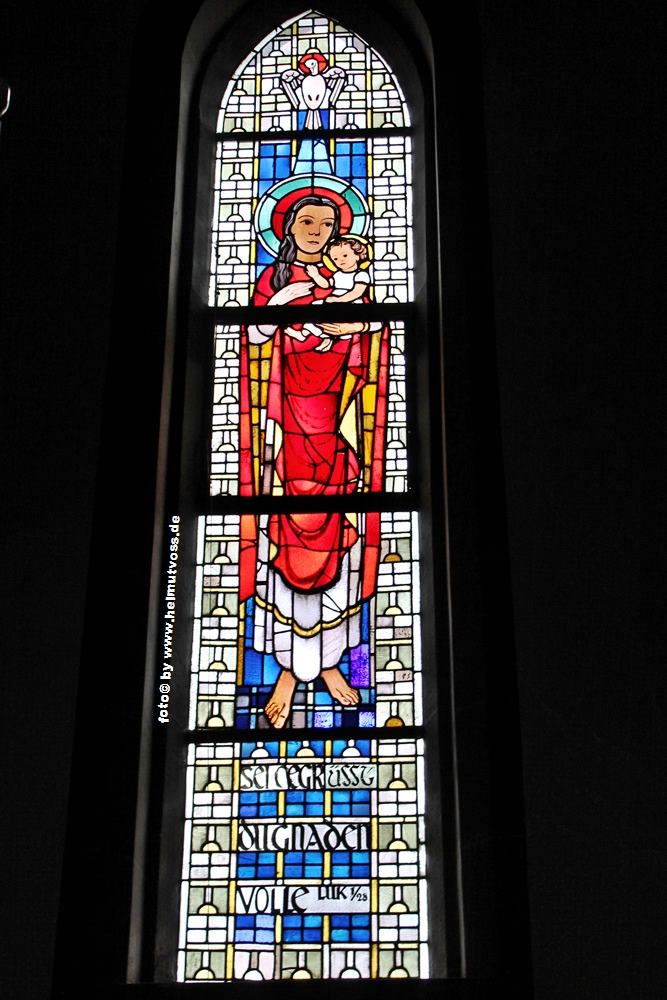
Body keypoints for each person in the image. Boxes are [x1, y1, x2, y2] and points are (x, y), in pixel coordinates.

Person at [240, 195, 388, 728]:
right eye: (306, 221)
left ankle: (327, 664)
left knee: (338, 539)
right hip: (285, 422)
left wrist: (349, 322)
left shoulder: (348, 284)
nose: (317, 231)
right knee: (282, 540)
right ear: (287, 227)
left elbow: (371, 336)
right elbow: (253, 335)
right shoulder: (273, 280)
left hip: (336, 416)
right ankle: (285, 670)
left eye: (328, 224)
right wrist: (283, 304)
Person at [302, 235, 372, 352]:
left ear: (357, 255)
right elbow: (326, 285)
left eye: (344, 255)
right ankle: (306, 334)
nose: (340, 261)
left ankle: (330, 338)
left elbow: (355, 293)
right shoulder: (337, 275)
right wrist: (316, 276)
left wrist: (338, 300)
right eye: (335, 259)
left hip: (351, 304)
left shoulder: (361, 275)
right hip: (333, 302)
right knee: (315, 308)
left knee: (336, 319)